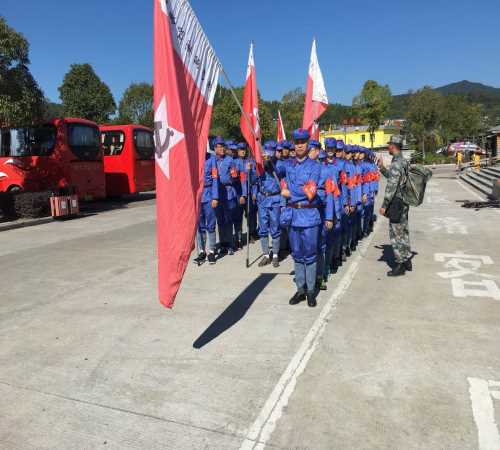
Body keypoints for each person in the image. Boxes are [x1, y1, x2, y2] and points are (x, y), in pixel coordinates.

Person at [281, 129, 323, 307]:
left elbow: (310, 193)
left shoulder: (315, 167)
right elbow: (275, 170)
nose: (299, 145)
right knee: (297, 255)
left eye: (303, 142)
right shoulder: (288, 165)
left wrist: (290, 192)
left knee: (310, 255)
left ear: (307, 144)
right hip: (293, 216)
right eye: (297, 142)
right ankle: (300, 289)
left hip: (309, 216)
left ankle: (311, 291)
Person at [378, 135, 411, 276]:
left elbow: (392, 186)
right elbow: (394, 178)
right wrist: (382, 168)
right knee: (403, 231)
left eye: (389, 144)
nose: (388, 147)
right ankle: (406, 258)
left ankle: (400, 264)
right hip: (404, 201)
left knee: (396, 234)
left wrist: (385, 205)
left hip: (396, 202)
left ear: (393, 146)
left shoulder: (397, 163)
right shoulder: (403, 161)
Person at [255, 141, 282, 267]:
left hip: (275, 199)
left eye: (270, 155)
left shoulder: (279, 163)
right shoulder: (260, 165)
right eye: (266, 155)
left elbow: (279, 173)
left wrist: (271, 163)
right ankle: (266, 254)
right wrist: (251, 170)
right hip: (262, 199)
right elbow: (254, 181)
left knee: (275, 228)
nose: (268, 157)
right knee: (263, 228)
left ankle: (275, 254)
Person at [194, 148, 219, 265]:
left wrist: (215, 197)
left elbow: (215, 179)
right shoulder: (192, 158)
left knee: (211, 224)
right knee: (199, 225)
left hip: (209, 193)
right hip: (197, 195)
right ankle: (202, 251)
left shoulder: (212, 159)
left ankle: (212, 251)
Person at [214, 137, 238, 256]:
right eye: (219, 146)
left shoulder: (230, 160)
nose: (222, 148)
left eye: (223, 146)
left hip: (228, 192)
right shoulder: (213, 160)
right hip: (217, 193)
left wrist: (229, 179)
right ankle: (223, 243)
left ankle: (230, 244)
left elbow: (234, 176)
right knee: (220, 220)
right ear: (215, 148)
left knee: (228, 220)